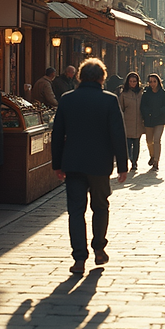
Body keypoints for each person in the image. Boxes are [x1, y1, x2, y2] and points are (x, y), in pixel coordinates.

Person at [51, 58, 128, 274]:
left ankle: (79, 258)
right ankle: (99, 249)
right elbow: (118, 134)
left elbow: (57, 134)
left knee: (76, 211)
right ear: (102, 78)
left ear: (80, 76)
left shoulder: (67, 99)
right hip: (100, 164)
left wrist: (57, 164)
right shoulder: (109, 100)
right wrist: (122, 164)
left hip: (73, 163)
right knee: (100, 207)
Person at [140, 73, 165, 171]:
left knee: (156, 139)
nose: (152, 84)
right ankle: (152, 156)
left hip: (159, 120)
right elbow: (142, 106)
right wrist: (147, 112)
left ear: (158, 82)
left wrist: (160, 110)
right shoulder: (146, 94)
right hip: (149, 120)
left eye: (154, 81)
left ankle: (156, 161)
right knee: (149, 141)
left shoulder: (163, 94)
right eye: (150, 82)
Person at [118, 72, 145, 170]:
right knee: (128, 144)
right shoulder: (124, 94)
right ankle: (130, 159)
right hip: (127, 122)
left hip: (138, 122)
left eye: (134, 81)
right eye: (131, 81)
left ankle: (134, 162)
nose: (133, 83)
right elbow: (120, 107)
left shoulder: (141, 93)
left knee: (137, 143)